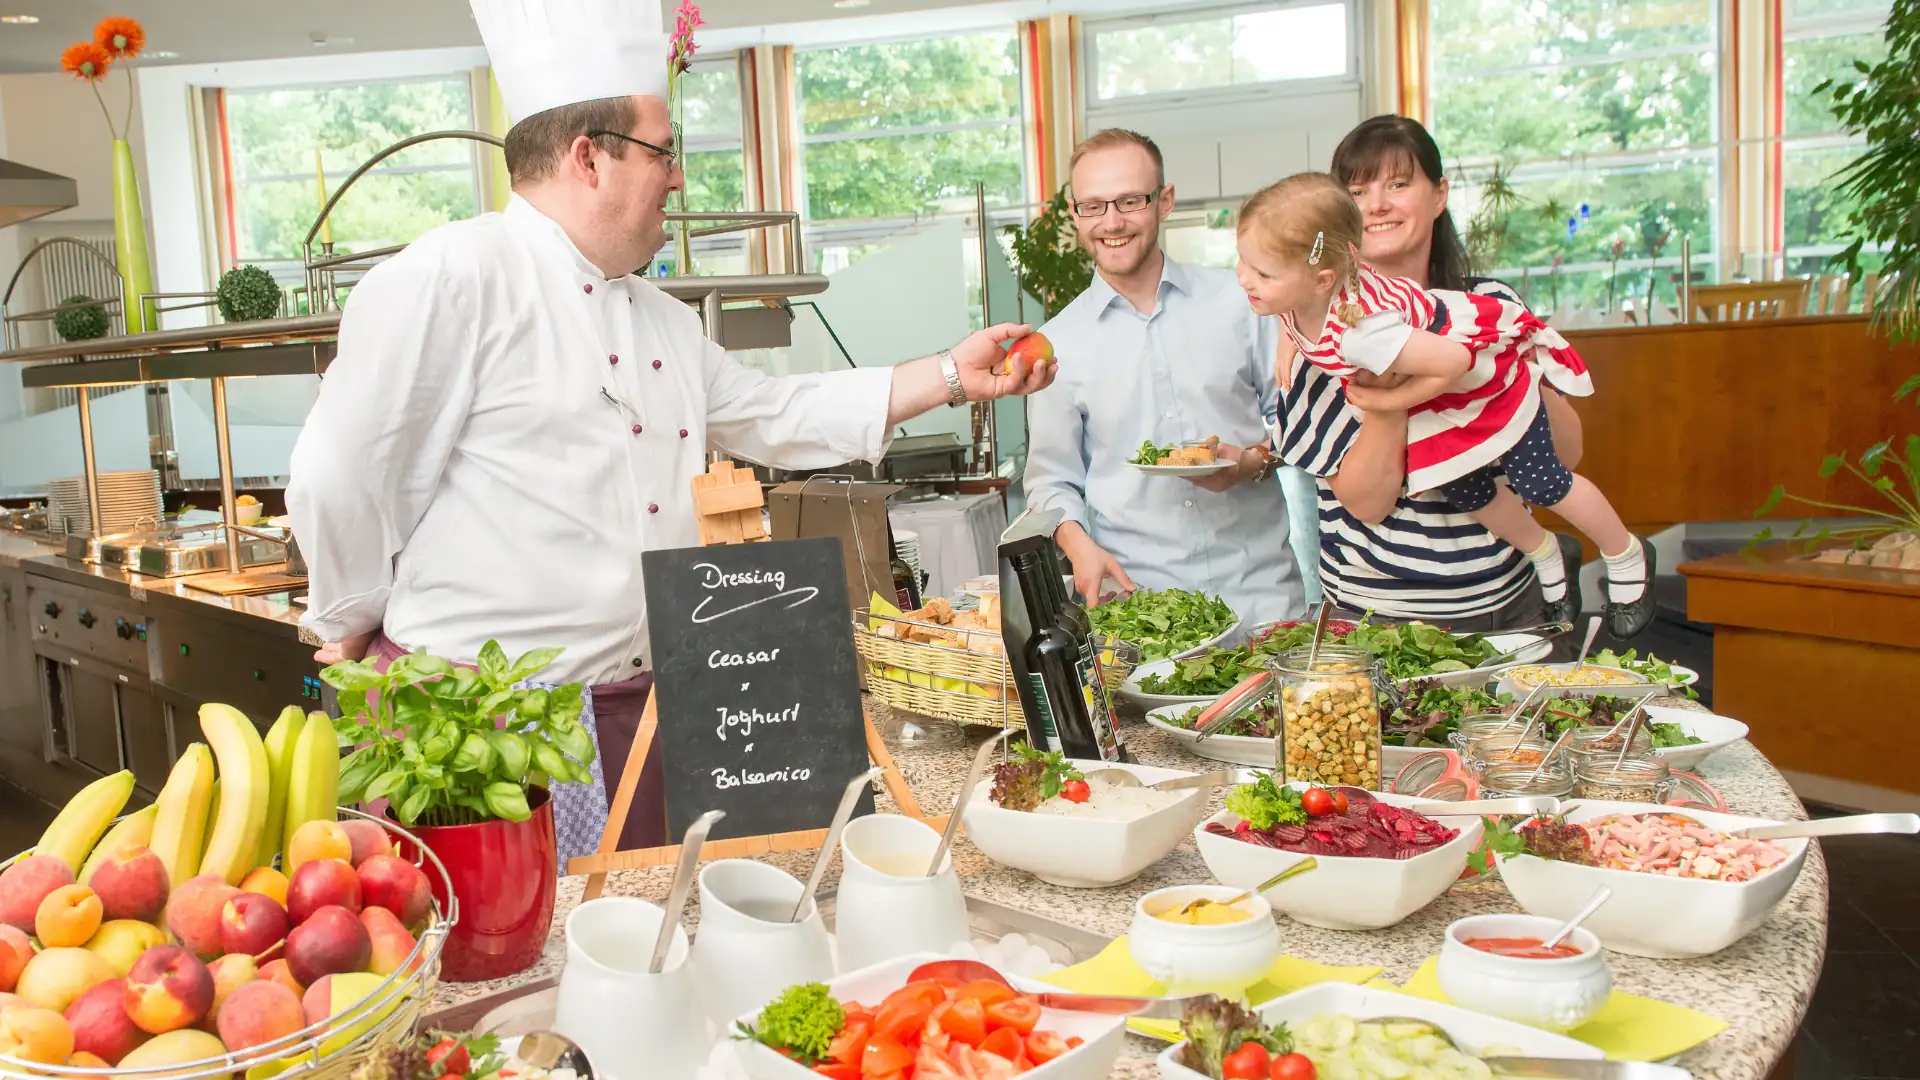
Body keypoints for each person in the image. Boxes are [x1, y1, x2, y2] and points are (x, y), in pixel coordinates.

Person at [287, 0, 1055, 853]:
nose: (679, 176)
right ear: (588, 158)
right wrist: (346, 616)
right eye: (664, 151)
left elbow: (775, 414)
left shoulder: (659, 317)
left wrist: (951, 374)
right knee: (510, 955)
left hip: (637, 709)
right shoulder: (452, 275)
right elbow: (341, 472)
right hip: (477, 723)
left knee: (637, 936)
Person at [1237, 172, 1654, 638]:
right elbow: (1366, 501)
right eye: (1243, 264)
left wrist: (1390, 397)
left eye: (1261, 273)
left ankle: (1626, 555)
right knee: (1467, 490)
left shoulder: (1364, 334)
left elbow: (1457, 359)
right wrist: (1287, 339)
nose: (1242, 279)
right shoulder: (1307, 296)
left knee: (1542, 480)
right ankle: (1547, 554)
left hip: (1490, 378)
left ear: (1322, 278)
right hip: (1442, 410)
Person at [1022, 128, 1308, 626]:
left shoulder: (1240, 304)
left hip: (1262, 597)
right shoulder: (1057, 344)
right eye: (1093, 205)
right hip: (1144, 611)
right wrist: (1078, 545)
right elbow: (1052, 481)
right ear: (1074, 211)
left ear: (1165, 200)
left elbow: (1300, 419)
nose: (1112, 222)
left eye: (1130, 200)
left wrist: (1252, 462)